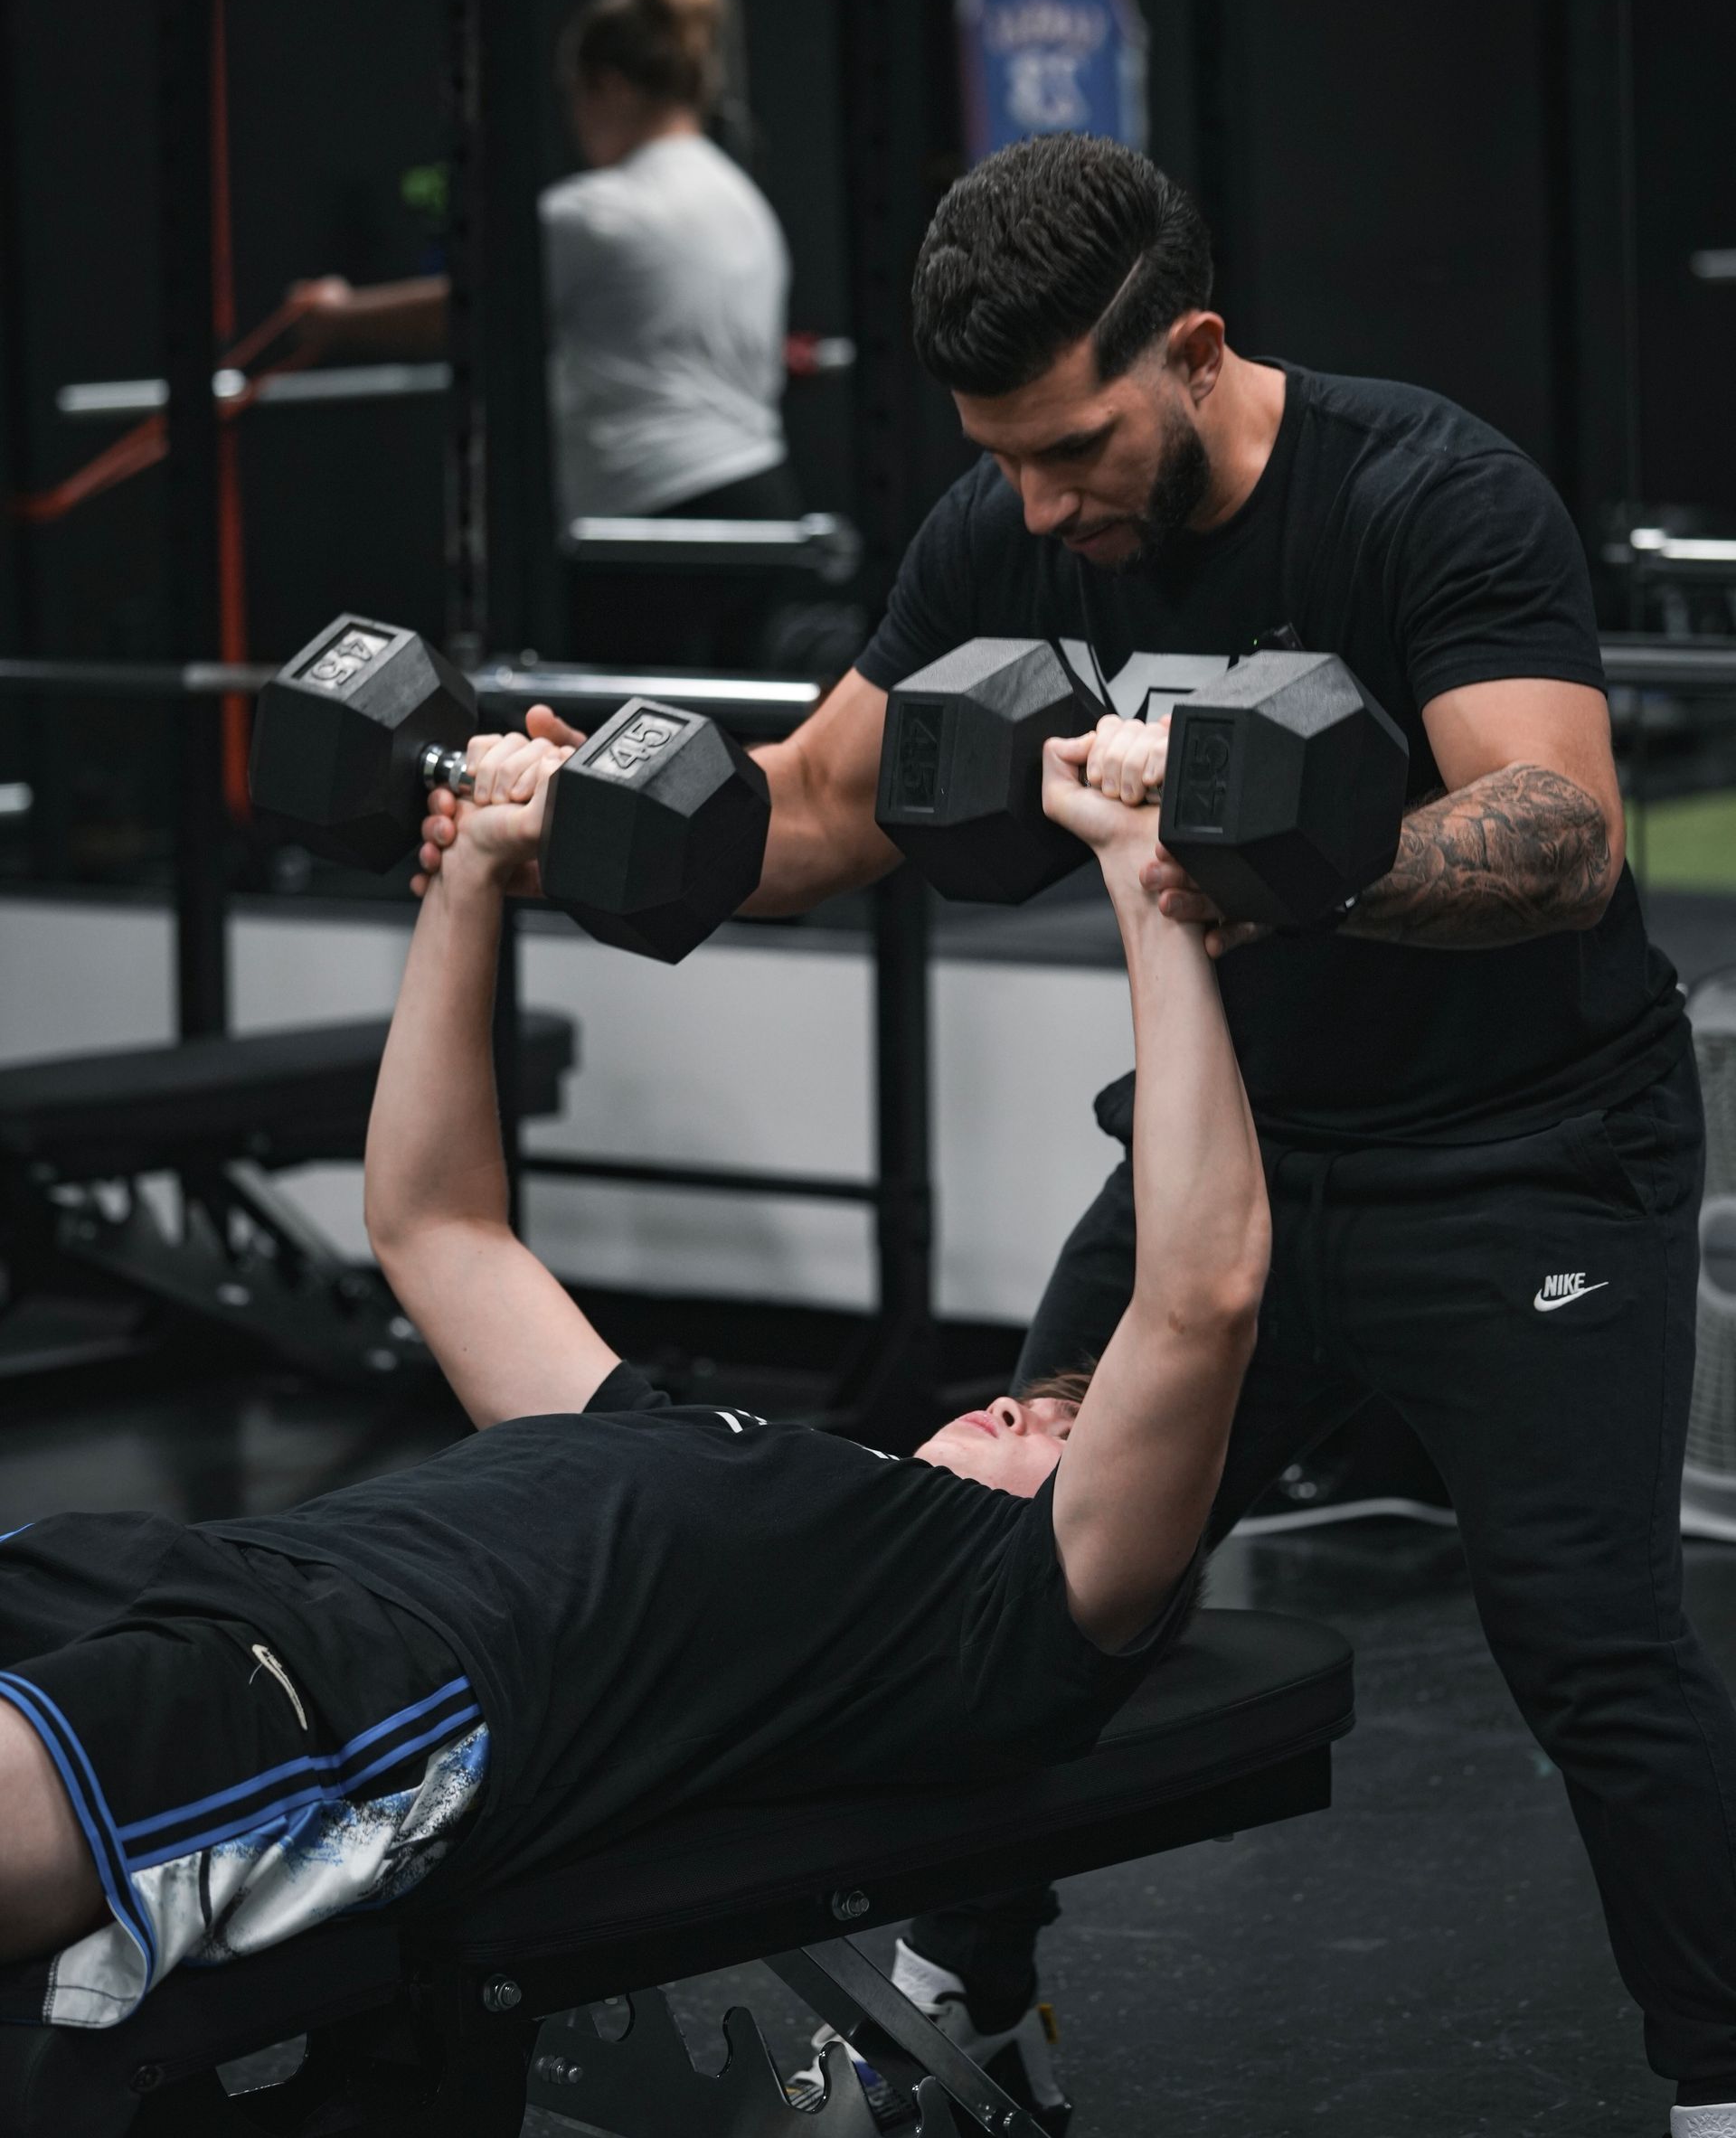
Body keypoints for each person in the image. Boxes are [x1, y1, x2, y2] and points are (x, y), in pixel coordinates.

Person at [460, 133, 1724, 2138]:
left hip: (1520, 1154)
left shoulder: (1424, 491)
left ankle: (1725, 2123)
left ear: (1196, 350)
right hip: (1227, 1162)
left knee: (1589, 1640)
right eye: (1002, 460)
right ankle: (959, 2021)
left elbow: (1559, 830)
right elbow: (823, 808)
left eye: (1072, 448)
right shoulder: (1003, 530)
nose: (1041, 509)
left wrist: (1256, 857)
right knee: (1003, 1573)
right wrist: (571, 818)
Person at [0, 726, 1268, 2035]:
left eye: (1065, 1427)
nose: (1019, 1403)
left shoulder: (1000, 1616)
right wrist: (471, 875)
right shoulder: (694, 1443)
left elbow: (1201, 1299)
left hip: (358, 1689)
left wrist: (1146, 880)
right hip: (196, 1567)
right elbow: (436, 1229)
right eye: (1040, 1395)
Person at [291, 0, 799, 664]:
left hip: (648, 522)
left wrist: (335, 317)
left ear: (609, 86)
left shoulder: (596, 210)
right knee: (729, 726)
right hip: (759, 501)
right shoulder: (742, 201)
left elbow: (466, 310)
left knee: (625, 730)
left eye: (575, 98)